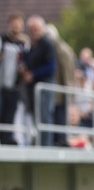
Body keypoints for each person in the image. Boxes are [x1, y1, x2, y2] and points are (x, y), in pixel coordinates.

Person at [22, 15, 57, 146]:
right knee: (36, 116)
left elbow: (51, 66)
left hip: (44, 85)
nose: (34, 32)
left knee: (45, 115)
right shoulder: (31, 46)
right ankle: (38, 142)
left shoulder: (47, 44)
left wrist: (33, 74)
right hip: (33, 87)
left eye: (36, 29)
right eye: (31, 29)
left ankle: (45, 144)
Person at [45, 24, 76, 147]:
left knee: (60, 116)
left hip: (60, 92)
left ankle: (61, 140)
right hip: (55, 91)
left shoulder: (62, 50)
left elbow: (68, 74)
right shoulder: (55, 49)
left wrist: (70, 94)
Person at [0, 12, 29, 145]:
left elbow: (27, 62)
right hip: (2, 83)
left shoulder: (24, 43)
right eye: (13, 23)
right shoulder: (3, 39)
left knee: (10, 113)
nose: (16, 26)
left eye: (18, 24)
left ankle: (6, 139)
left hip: (15, 85)